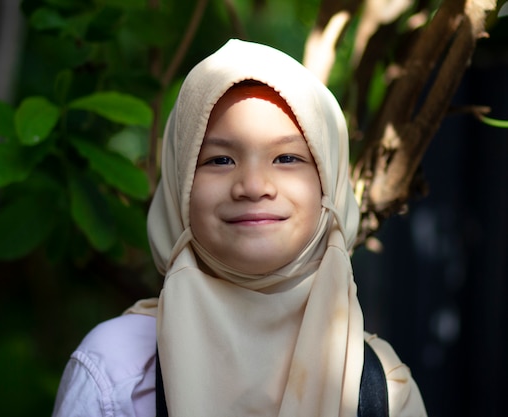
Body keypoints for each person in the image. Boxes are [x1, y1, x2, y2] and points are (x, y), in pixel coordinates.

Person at [51, 39, 427, 417]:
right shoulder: (118, 373)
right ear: (179, 185)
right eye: (220, 159)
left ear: (329, 182)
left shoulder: (382, 388)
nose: (252, 185)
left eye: (287, 157)